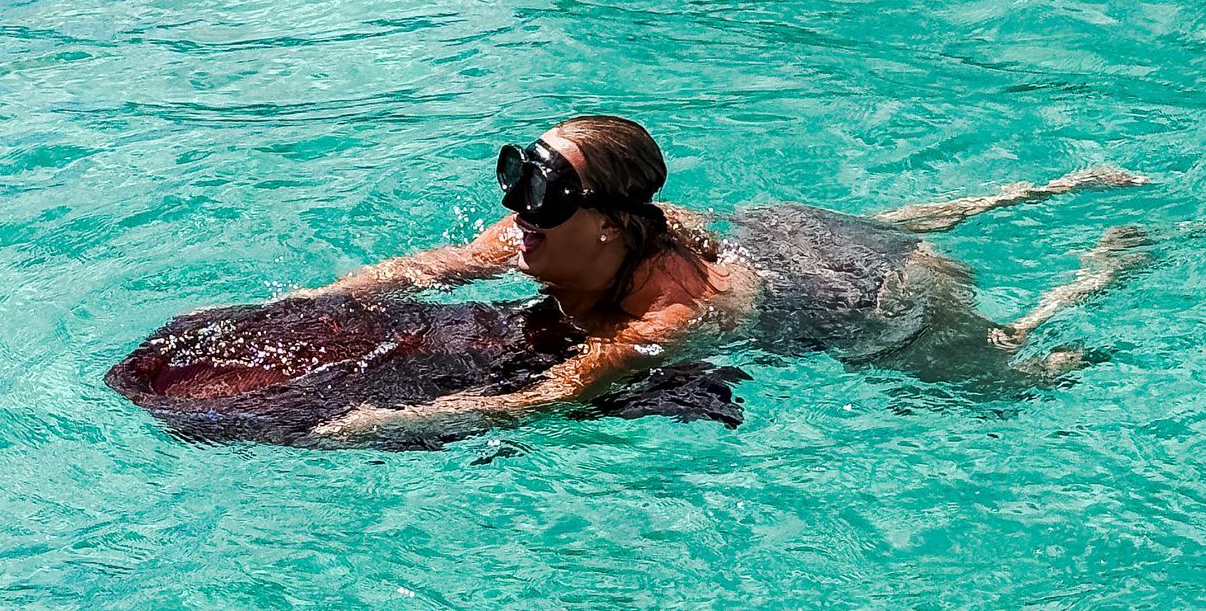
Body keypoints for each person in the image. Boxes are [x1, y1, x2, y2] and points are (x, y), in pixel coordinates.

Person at [307, 115, 1149, 444]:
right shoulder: (542, 229)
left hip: (869, 299)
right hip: (782, 234)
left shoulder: (672, 312)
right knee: (885, 220)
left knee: (1008, 380)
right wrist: (300, 308)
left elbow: (552, 395)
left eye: (542, 189)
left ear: (603, 220)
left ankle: (1092, 276)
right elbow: (412, 272)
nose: (518, 206)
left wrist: (400, 420)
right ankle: (1042, 190)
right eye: (515, 175)